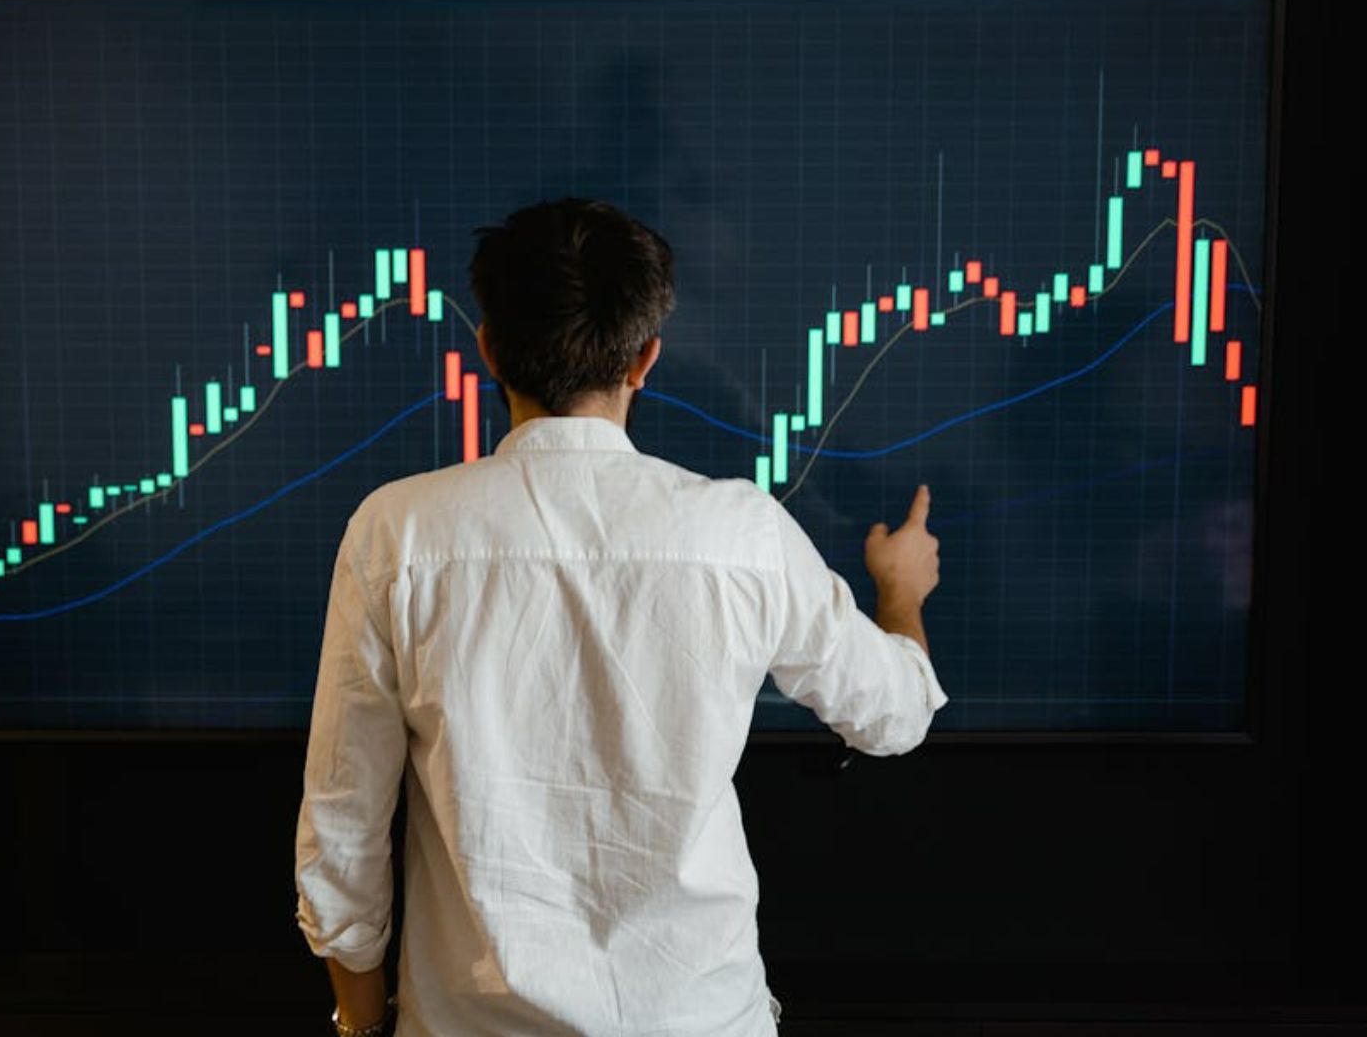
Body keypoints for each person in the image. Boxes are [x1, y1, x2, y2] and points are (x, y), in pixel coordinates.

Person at [294, 198, 947, 1036]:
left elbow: (342, 822)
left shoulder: (397, 533)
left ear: (488, 349)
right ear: (645, 358)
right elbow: (895, 717)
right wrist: (899, 594)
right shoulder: (741, 532)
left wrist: (358, 1020)